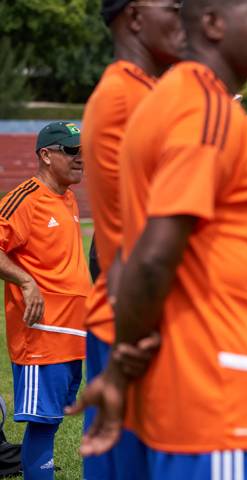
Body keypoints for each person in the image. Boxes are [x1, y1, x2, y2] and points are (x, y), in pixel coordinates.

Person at [67, 0, 247, 478]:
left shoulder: (170, 97)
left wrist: (119, 364)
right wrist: (120, 359)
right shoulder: (203, 109)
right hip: (223, 382)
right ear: (213, 24)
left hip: (201, 368)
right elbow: (148, 257)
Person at [80, 1, 184, 478]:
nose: (182, 19)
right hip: (135, 322)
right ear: (136, 17)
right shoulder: (125, 96)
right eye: (174, 8)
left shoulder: (147, 92)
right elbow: (140, 233)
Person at [0, 121, 91, 479]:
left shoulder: (66, 198)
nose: (80, 158)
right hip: (41, 335)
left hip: (71, 336)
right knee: (41, 421)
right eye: (71, 151)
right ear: (46, 155)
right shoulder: (25, 199)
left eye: (83, 150)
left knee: (52, 420)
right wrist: (25, 281)